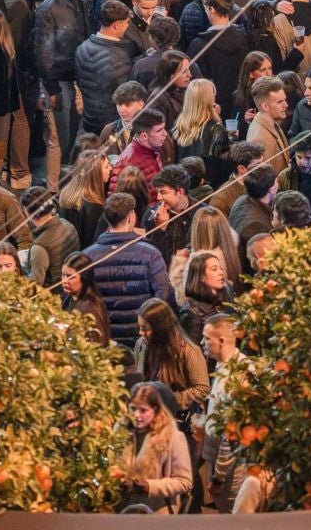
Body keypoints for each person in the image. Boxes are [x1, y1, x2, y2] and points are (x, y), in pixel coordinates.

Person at [84, 193, 174, 345]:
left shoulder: (88, 257)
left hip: (103, 341)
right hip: (141, 339)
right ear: (131, 217)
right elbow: (164, 295)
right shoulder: (150, 254)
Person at [123, 381, 194, 514]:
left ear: (156, 410)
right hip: (124, 505)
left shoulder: (173, 437)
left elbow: (184, 481)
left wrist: (150, 486)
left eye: (143, 410)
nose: (136, 415)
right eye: (133, 409)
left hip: (156, 509)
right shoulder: (122, 434)